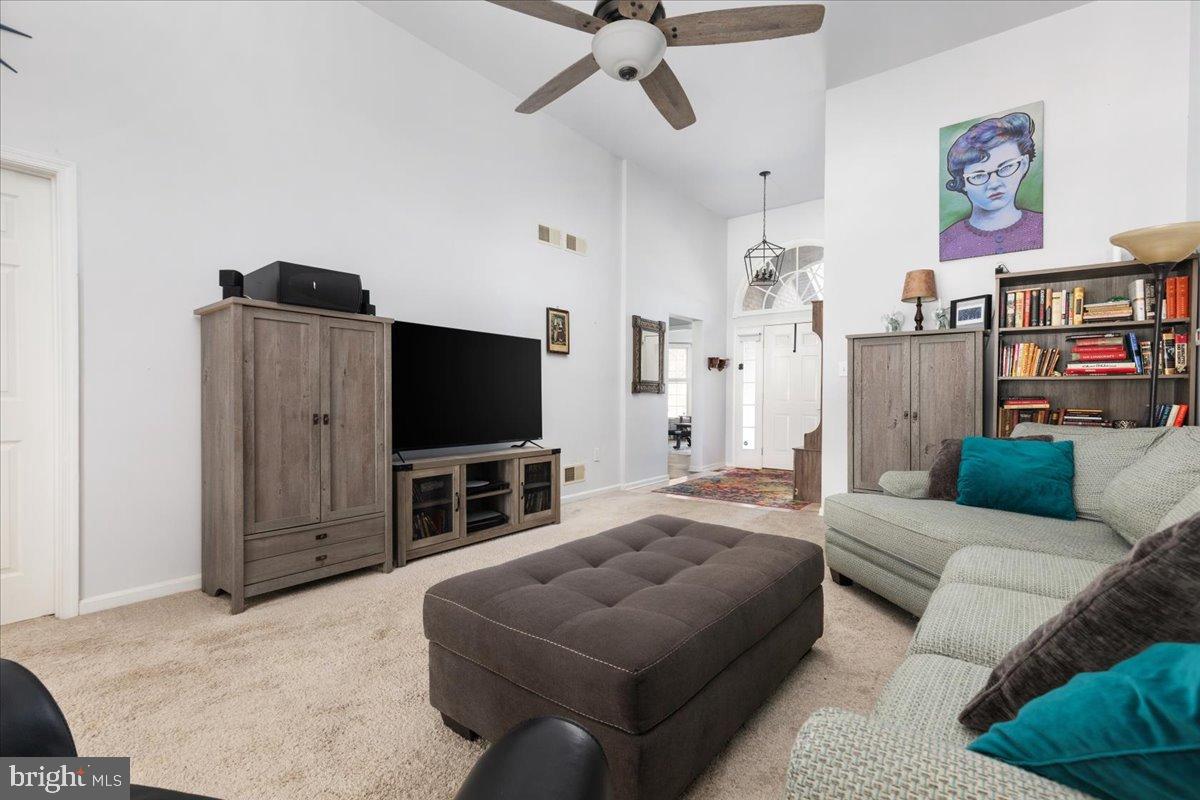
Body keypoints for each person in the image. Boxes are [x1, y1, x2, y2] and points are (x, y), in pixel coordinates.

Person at [940, 111, 1043, 261]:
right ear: (962, 183)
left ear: (1024, 164)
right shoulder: (946, 242)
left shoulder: (1042, 226)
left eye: (1006, 167)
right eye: (978, 175)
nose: (994, 184)